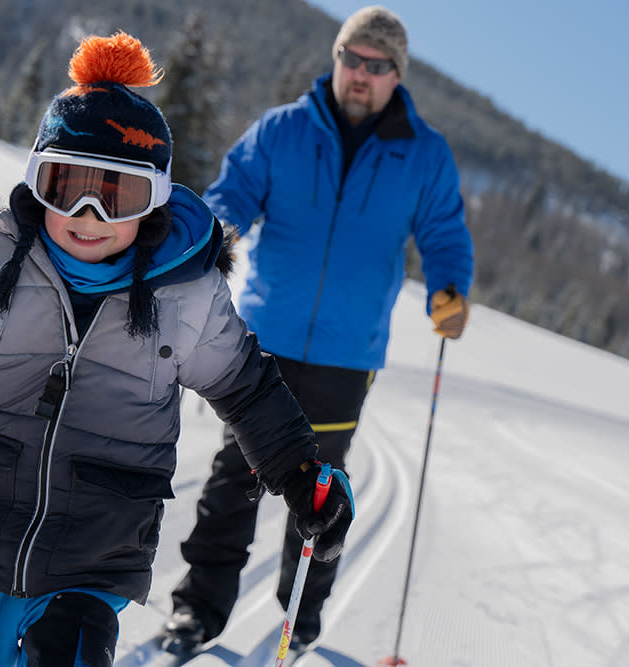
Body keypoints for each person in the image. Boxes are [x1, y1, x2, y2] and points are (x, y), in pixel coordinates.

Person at [0, 32, 354, 667]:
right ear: (38, 183)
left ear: (154, 203)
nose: (89, 215)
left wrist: (299, 472)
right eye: (66, 187)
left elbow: (246, 389)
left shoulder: (187, 299)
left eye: (118, 196)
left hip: (94, 558)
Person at [163, 4, 475, 655]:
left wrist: (448, 290)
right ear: (336, 59)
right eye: (352, 59)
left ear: (397, 75)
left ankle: (301, 615)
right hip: (263, 340)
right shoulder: (282, 131)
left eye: (377, 65)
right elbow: (232, 195)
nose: (361, 73)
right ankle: (197, 608)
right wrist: (209, 239)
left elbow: (444, 233)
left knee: (323, 486)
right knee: (236, 474)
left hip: (346, 353)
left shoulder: (424, 155)